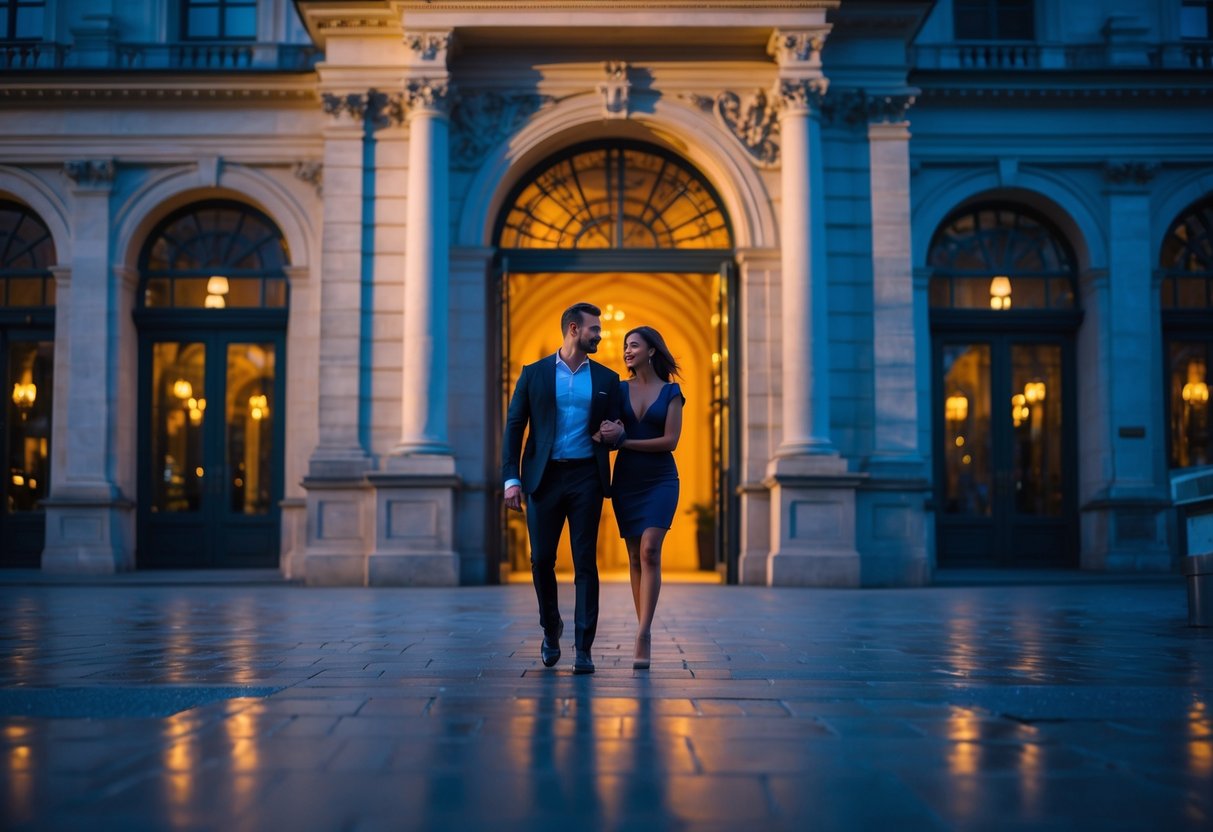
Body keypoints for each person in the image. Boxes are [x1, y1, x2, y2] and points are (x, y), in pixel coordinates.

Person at [502, 302, 624, 675]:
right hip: (544, 478)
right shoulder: (534, 374)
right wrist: (511, 479)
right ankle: (550, 628)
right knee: (541, 560)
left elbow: (618, 427)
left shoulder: (606, 379)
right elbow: (514, 426)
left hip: (587, 477)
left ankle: (583, 647)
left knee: (585, 562)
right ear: (573, 329)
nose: (600, 335)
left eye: (600, 329)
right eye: (594, 329)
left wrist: (615, 434)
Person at [607, 326, 684, 670]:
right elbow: (603, 428)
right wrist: (608, 435)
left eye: (633, 345)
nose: (626, 351)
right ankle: (643, 624)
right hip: (627, 480)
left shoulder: (672, 392)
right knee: (635, 557)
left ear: (652, 351)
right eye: (625, 346)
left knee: (651, 549)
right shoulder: (617, 389)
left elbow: (670, 441)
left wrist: (626, 442)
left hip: (660, 480)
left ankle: (643, 634)